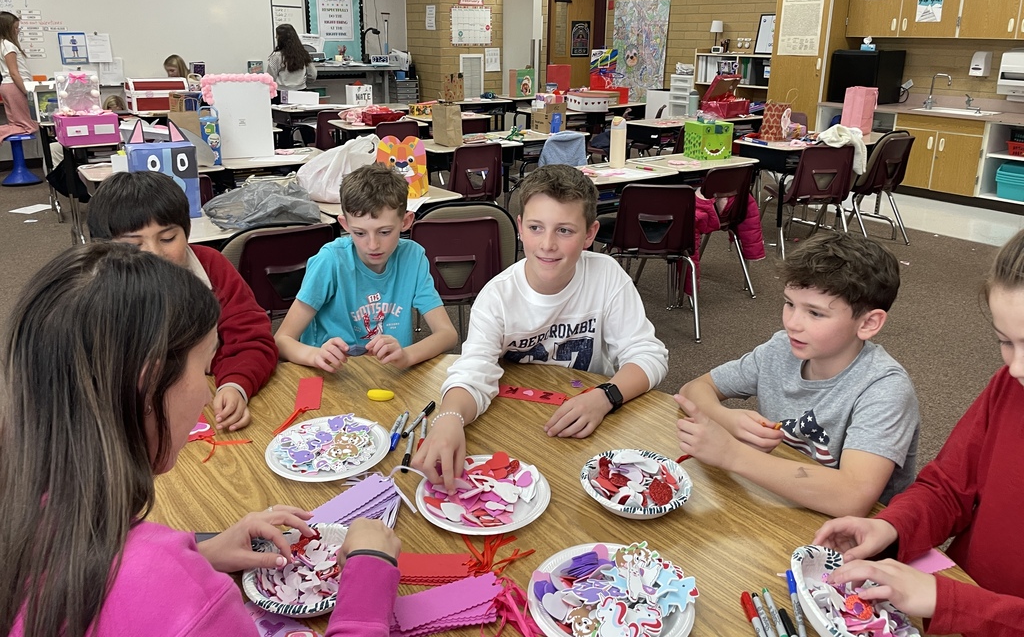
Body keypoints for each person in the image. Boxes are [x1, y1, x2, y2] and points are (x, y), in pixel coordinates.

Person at [0, 243, 401, 637]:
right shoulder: (178, 594)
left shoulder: (22, 506)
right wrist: (369, 575)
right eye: (205, 365)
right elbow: (146, 592)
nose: (208, 395)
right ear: (151, 383)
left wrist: (201, 551)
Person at [813, 229, 1024, 637]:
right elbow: (949, 486)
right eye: (1005, 342)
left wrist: (951, 601)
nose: (1016, 368)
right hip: (966, 605)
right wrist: (892, 527)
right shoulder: (1008, 386)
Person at [413, 164, 669, 490]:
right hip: (515, 424)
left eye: (564, 230)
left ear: (590, 234)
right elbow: (473, 371)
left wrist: (606, 396)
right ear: (519, 227)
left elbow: (649, 355)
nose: (547, 244)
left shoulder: (608, 277)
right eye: (536, 227)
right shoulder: (498, 297)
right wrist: (449, 418)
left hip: (592, 422)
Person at [676, 231, 919, 518]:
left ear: (868, 323)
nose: (792, 323)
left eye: (815, 313)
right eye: (790, 303)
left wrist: (732, 454)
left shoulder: (884, 388)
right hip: (781, 502)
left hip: (853, 537)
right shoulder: (781, 349)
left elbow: (852, 496)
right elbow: (694, 389)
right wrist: (727, 418)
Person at [88, 172, 277, 431]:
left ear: (186, 233)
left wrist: (235, 385)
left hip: (204, 411)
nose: (155, 253)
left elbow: (251, 339)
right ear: (104, 248)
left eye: (168, 239)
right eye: (133, 245)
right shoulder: (94, 291)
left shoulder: (211, 268)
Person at [275, 163, 457, 372]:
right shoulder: (331, 260)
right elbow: (282, 340)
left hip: (388, 373)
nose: (372, 245)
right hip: (333, 375)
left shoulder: (413, 257)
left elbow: (447, 334)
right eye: (360, 233)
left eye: (385, 232)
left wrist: (407, 355)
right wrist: (314, 354)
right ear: (344, 224)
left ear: (405, 221)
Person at [0, 11, 40, 141]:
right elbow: (14, 72)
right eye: (16, 28)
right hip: (14, 86)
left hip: (7, 86)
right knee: (29, 126)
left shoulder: (2, 44)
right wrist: (26, 92)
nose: (17, 31)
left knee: (16, 124)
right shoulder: (8, 45)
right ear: (7, 29)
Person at [267, 23, 317, 95]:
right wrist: (303, 83)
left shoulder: (276, 56)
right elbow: (313, 74)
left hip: (281, 93)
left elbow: (270, 78)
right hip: (301, 91)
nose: (276, 37)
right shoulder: (304, 54)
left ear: (281, 39)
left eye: (277, 36)